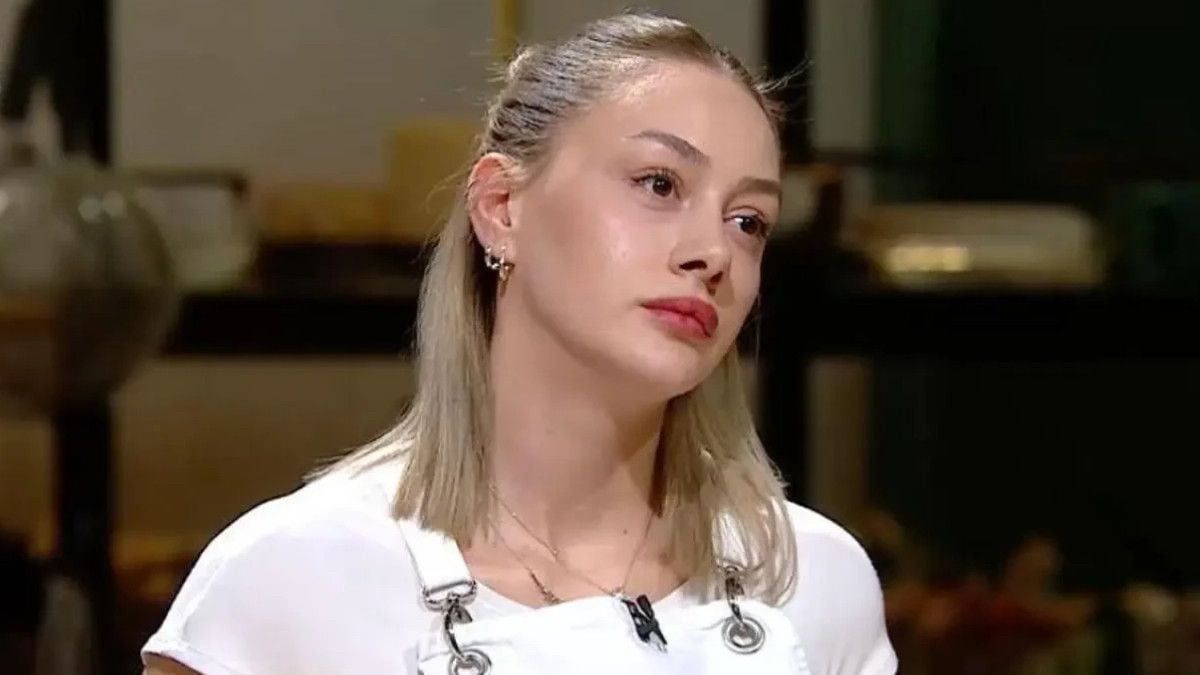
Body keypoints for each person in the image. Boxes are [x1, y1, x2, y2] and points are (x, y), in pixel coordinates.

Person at [142, 12, 897, 675]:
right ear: (502, 207)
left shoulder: (812, 581)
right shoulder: (290, 585)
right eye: (660, 184)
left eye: (748, 222)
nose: (713, 252)